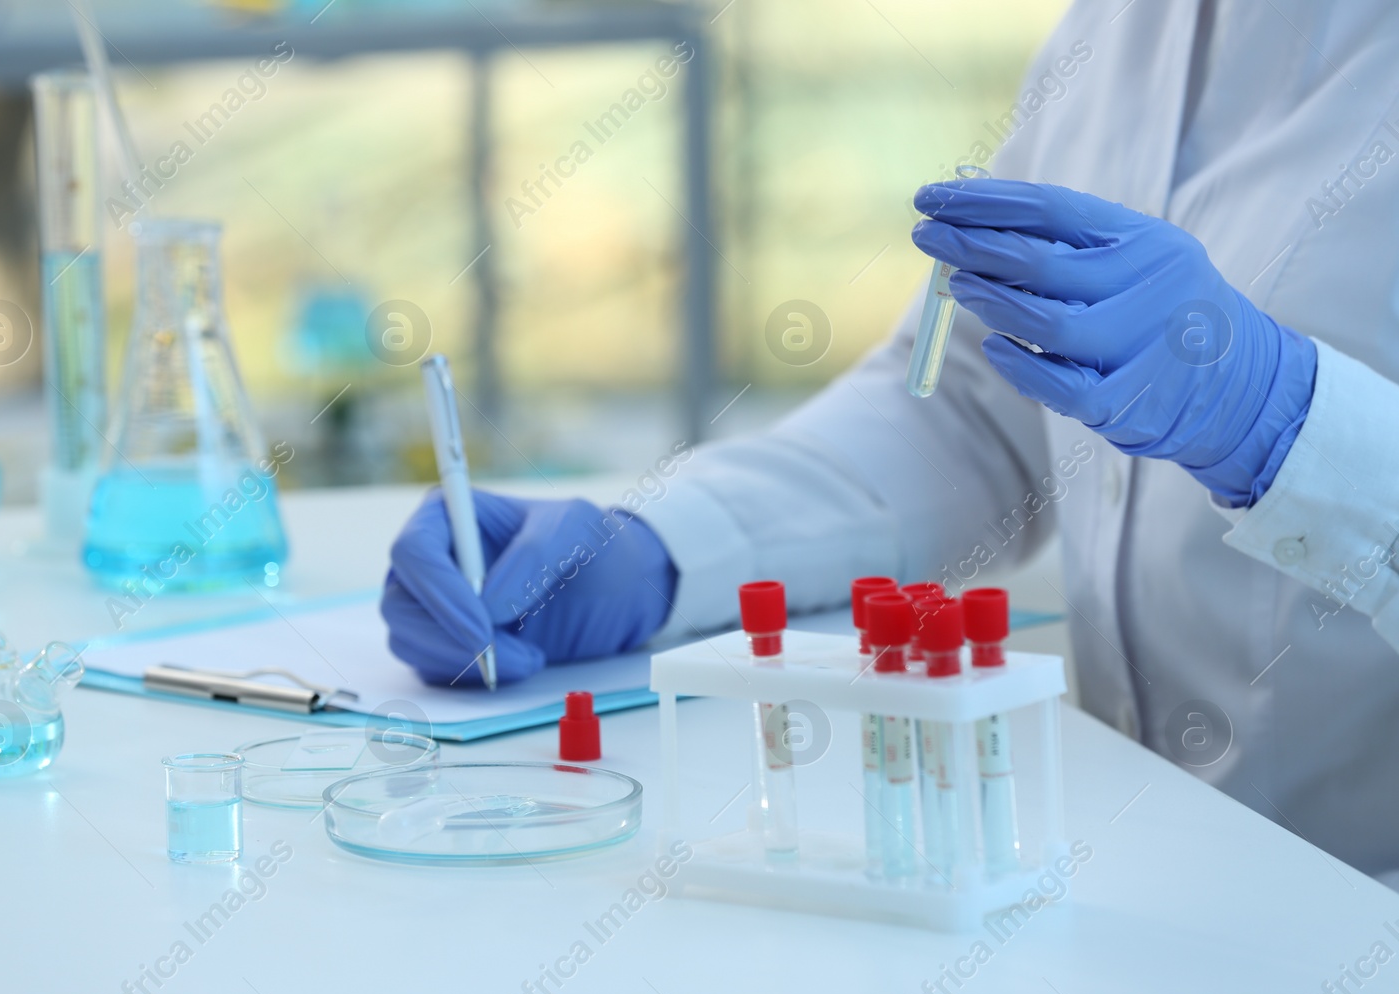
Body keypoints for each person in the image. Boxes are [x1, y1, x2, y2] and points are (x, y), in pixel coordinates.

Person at [381, 1, 1399, 880]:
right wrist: (662, 546)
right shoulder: (1127, 26)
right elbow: (966, 409)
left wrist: (1279, 419)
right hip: (1129, 882)